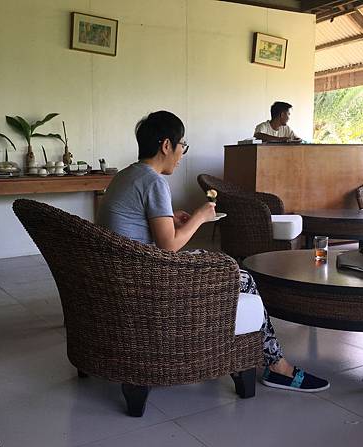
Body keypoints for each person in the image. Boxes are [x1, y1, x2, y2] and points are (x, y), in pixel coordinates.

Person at [97, 110, 329, 392]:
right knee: (242, 278)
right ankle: (277, 366)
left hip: (125, 273)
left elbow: (139, 224)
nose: (182, 154)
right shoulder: (154, 181)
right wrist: (199, 216)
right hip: (149, 280)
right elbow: (169, 246)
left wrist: (171, 217)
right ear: (167, 145)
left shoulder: (127, 175)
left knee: (223, 263)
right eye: (182, 145)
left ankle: (237, 345)